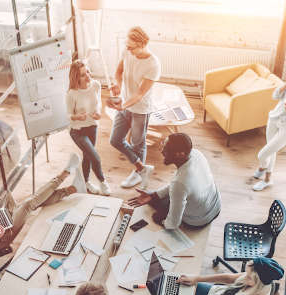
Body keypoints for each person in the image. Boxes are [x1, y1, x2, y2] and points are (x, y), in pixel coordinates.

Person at [128, 133, 221, 230]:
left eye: (166, 149)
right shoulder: (196, 154)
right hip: (215, 205)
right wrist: (154, 195)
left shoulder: (180, 183)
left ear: (180, 154)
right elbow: (181, 186)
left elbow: (173, 224)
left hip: (198, 221)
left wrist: (162, 221)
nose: (162, 151)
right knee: (157, 199)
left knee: (157, 216)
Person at [107, 26, 161, 189]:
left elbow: (139, 94)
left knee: (138, 143)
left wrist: (122, 106)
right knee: (115, 140)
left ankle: (138, 173)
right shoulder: (127, 52)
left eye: (131, 47)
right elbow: (118, 72)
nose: (128, 50)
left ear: (142, 44)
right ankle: (143, 169)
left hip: (141, 109)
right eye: (127, 46)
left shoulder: (153, 64)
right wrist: (118, 85)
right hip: (125, 104)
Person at [67, 60, 111, 196]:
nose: (88, 76)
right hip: (77, 130)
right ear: (76, 78)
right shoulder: (72, 93)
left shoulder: (96, 85)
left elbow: (98, 103)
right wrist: (77, 117)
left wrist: (98, 112)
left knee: (87, 156)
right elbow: (67, 115)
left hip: (92, 126)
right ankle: (103, 182)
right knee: (95, 157)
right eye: (82, 75)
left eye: (87, 71)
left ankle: (85, 183)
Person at [253, 83, 286, 191]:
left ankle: (263, 167)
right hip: (274, 118)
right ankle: (267, 178)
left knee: (262, 155)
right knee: (271, 150)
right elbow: (275, 96)